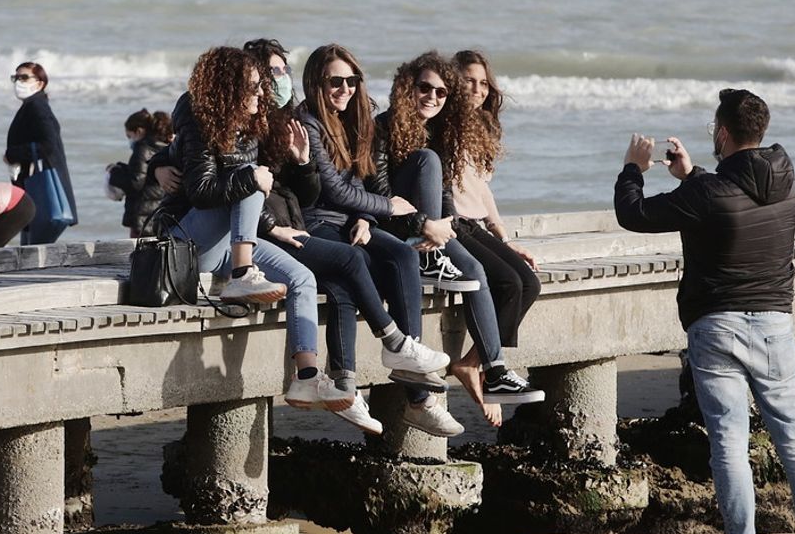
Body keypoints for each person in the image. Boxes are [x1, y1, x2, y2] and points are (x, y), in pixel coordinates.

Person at [614, 87, 795, 534]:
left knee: (729, 439)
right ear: (760, 131)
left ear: (721, 132)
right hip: (777, 323)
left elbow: (633, 215)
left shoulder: (705, 194)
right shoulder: (785, 173)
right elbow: (731, 193)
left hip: (717, 324)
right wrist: (692, 173)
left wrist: (634, 167)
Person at [243, 39, 450, 435]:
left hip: (349, 221)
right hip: (317, 221)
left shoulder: (357, 121)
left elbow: (361, 182)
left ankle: (413, 375)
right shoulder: (307, 123)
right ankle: (367, 367)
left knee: (401, 257)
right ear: (316, 83)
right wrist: (389, 208)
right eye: (335, 81)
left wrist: (366, 218)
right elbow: (330, 192)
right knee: (346, 275)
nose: (345, 89)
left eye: (351, 81)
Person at [165, 45, 352, 411]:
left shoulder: (249, 130)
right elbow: (201, 192)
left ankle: (307, 378)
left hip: (225, 246)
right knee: (250, 177)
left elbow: (255, 194)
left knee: (301, 279)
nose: (261, 93)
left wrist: (284, 171)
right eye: (253, 87)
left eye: (262, 86)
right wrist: (250, 178)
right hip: (187, 244)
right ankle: (242, 272)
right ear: (229, 89)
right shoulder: (201, 126)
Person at [370, 52, 545, 422]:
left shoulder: (439, 130)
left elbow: (448, 191)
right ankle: (439, 378)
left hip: (436, 228)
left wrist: (443, 222)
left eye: (441, 92)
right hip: (400, 231)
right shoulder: (382, 129)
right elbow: (382, 193)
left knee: (475, 273)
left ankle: (493, 370)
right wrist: (425, 223)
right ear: (407, 87)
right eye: (424, 88)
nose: (433, 97)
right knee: (428, 162)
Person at [449, 49, 542, 361]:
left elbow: (482, 190)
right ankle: (488, 366)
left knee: (529, 283)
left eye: (484, 84)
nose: (478, 89)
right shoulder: (440, 125)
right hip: (452, 225)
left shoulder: (481, 127)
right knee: (509, 283)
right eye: (469, 81)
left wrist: (503, 238)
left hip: (475, 226)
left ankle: (475, 362)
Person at [3, 61, 78, 245]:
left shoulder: (37, 107)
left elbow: (48, 145)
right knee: (33, 241)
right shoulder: (32, 105)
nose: (18, 82)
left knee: (34, 246)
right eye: (16, 77)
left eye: (24, 77)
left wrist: (13, 154)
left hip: (37, 183)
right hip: (31, 181)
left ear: (40, 83)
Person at [108, 108, 172, 237]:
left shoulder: (142, 149)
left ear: (139, 131)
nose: (129, 140)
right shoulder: (163, 147)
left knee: (138, 255)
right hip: (159, 216)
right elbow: (145, 175)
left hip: (143, 219)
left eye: (129, 136)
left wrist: (113, 173)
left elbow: (135, 182)